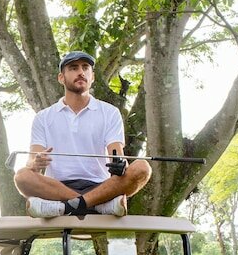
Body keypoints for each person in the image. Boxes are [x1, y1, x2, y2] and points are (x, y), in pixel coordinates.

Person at [14, 51, 151, 218]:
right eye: (73, 68)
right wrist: (34, 163)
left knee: (143, 168)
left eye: (85, 68)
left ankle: (65, 207)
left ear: (92, 76)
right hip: (57, 188)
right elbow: (31, 161)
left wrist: (120, 166)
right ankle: (96, 206)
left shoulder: (110, 112)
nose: (81, 72)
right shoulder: (43, 117)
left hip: (102, 187)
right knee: (22, 176)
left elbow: (117, 156)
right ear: (61, 78)